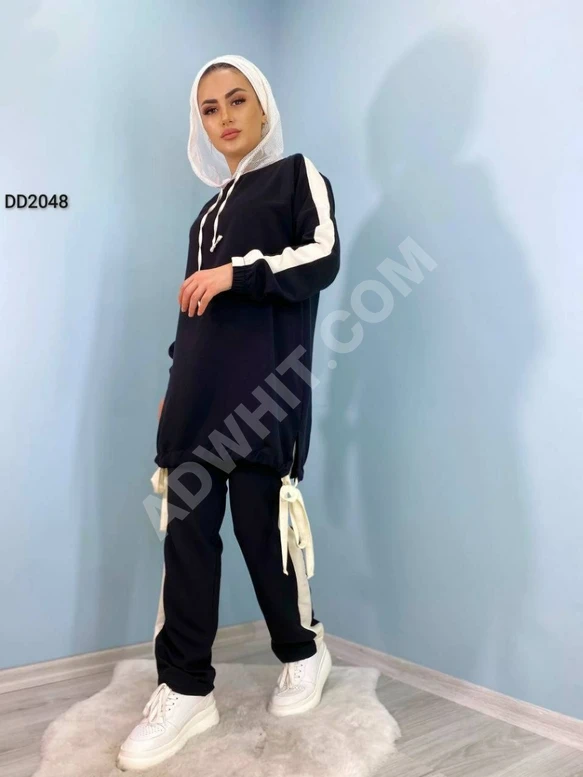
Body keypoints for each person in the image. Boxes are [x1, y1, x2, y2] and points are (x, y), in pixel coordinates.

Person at [117, 53, 341, 771]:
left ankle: (302, 650)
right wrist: (175, 379)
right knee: (186, 536)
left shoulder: (296, 175)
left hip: (260, 390)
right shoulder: (204, 215)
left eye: (237, 100)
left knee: (257, 527)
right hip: (195, 395)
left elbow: (322, 257)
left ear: (263, 104)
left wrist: (235, 273)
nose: (224, 118)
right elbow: (195, 313)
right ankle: (186, 687)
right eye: (209, 109)